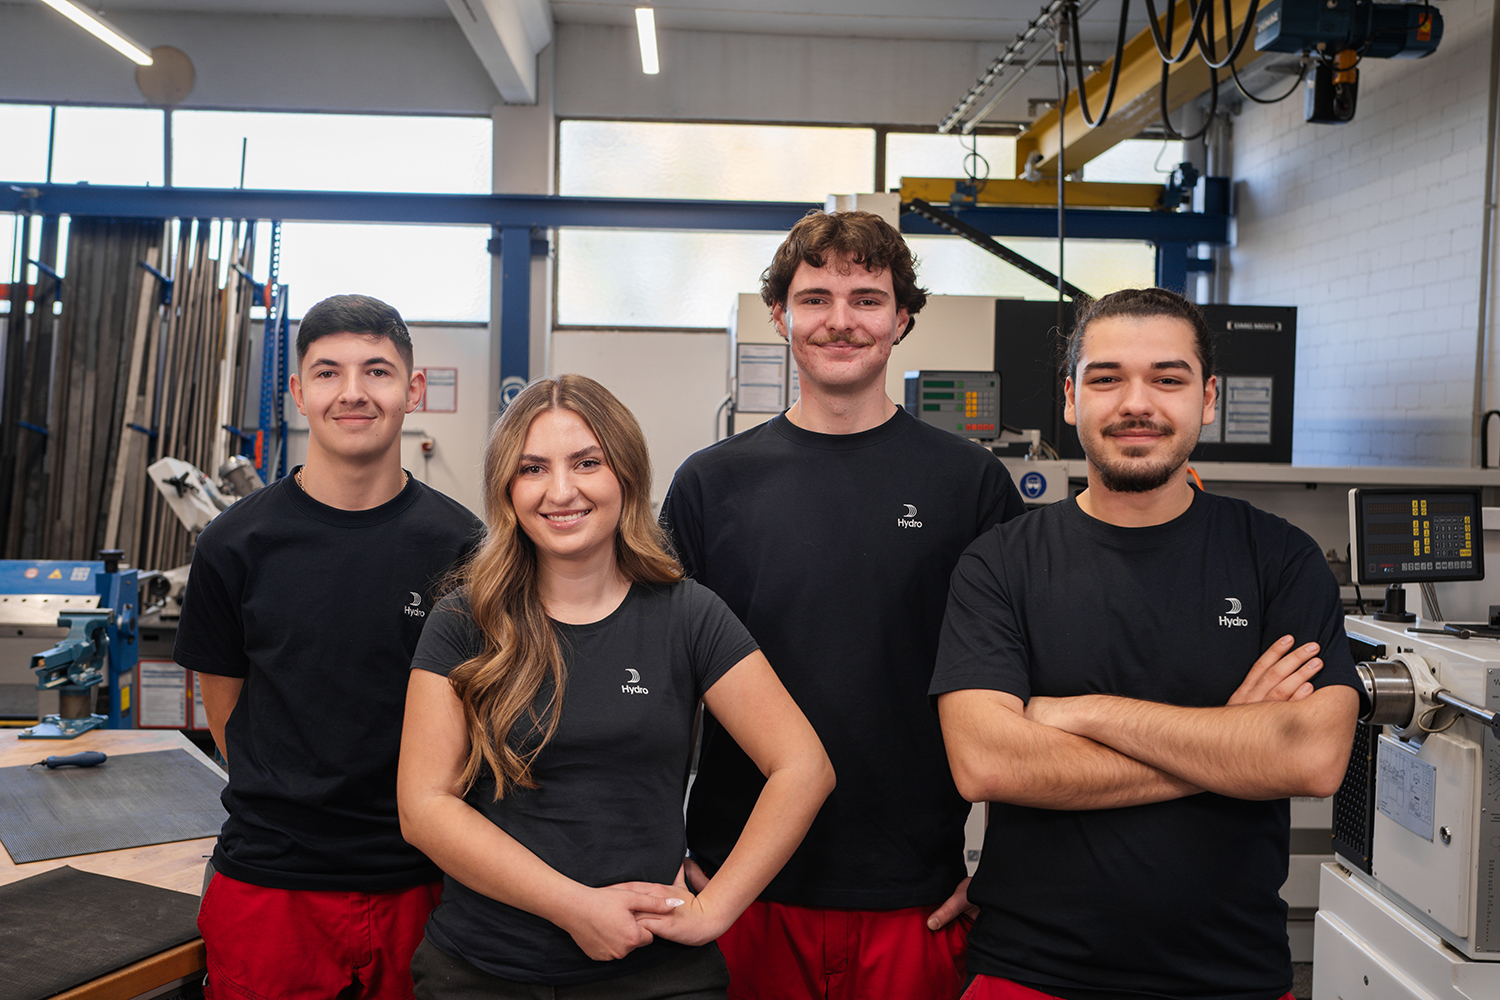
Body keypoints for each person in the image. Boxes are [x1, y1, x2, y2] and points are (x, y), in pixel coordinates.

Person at [930, 287, 1365, 1000]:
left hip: (1234, 978)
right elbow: (986, 763)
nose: (1138, 403)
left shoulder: (1279, 558)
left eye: (1168, 379)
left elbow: (1313, 758)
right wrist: (1233, 744)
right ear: (1070, 398)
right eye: (1107, 379)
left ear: (1209, 397)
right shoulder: (1001, 562)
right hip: (1030, 972)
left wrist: (1078, 712)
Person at [660, 209, 1027, 1000]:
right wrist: (654, 844)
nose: (840, 320)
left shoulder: (969, 486)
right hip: (738, 887)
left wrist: (1006, 861)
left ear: (902, 319)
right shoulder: (709, 484)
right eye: (816, 297)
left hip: (915, 893)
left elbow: (1022, 687)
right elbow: (656, 682)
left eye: (866, 298)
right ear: (780, 314)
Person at [397, 374, 833, 999]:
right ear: (507, 489)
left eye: (587, 463)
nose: (562, 490)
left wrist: (717, 909)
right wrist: (575, 907)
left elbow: (803, 766)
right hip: (485, 972)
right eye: (533, 469)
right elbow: (424, 808)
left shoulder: (687, 614)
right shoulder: (465, 621)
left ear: (625, 475)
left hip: (655, 973)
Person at [174, 294, 482, 1000]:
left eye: (376, 371)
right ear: (298, 393)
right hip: (271, 886)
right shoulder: (233, 545)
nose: (352, 392)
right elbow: (226, 715)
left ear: (413, 390)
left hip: (427, 882)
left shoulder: (465, 548)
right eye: (328, 372)